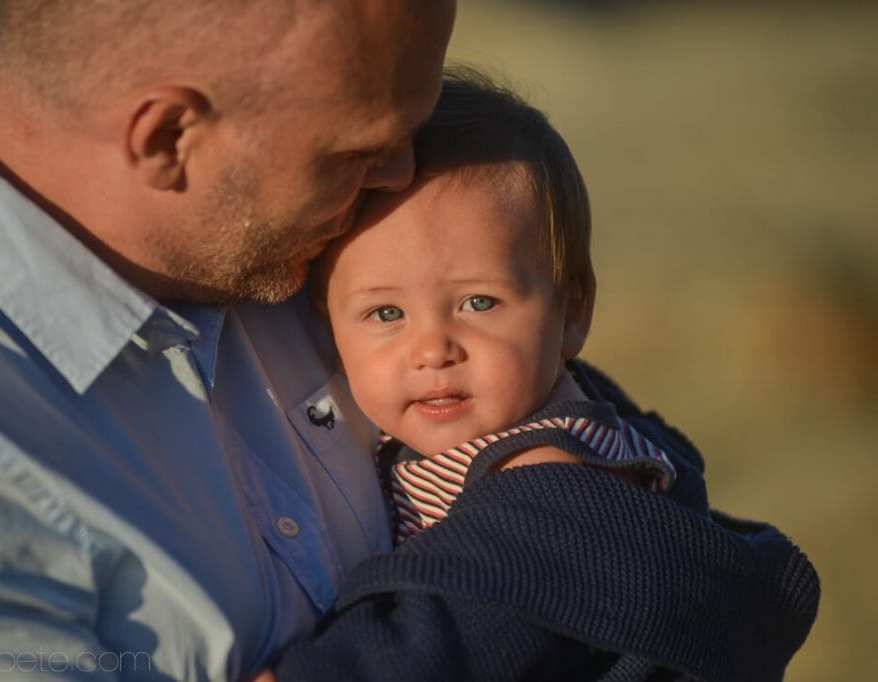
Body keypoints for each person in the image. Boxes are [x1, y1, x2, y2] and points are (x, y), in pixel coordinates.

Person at [0, 1, 455, 679]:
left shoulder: (296, 218)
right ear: (168, 137)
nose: (403, 175)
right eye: (356, 153)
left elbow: (569, 434)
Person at [262, 70, 820, 681]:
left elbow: (457, 634)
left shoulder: (546, 477)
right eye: (386, 313)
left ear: (571, 313)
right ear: (326, 327)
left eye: (479, 303)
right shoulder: (537, 416)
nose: (432, 350)